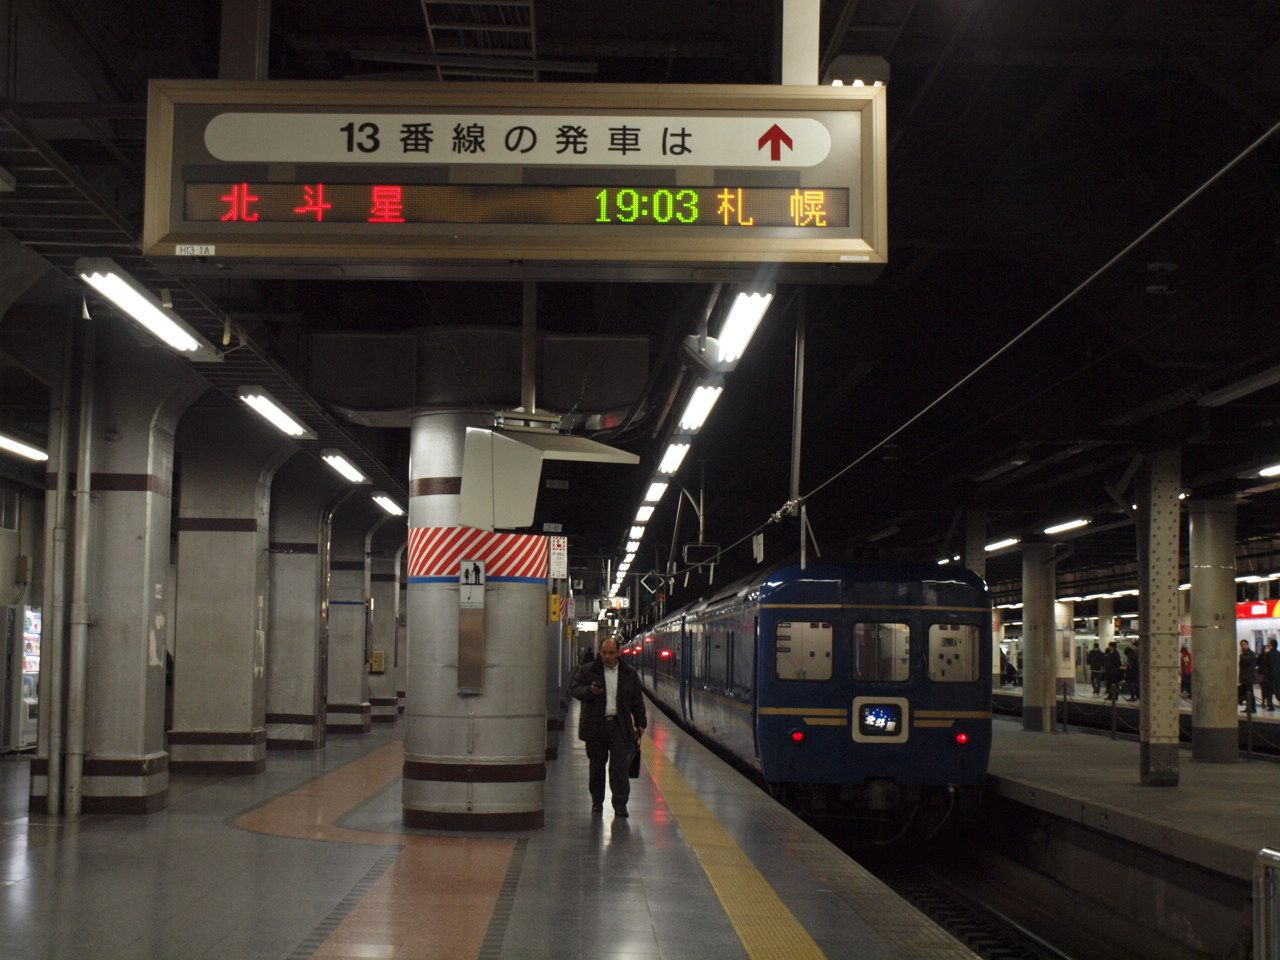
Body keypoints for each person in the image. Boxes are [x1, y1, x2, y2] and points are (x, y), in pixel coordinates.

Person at [571, 636, 646, 817]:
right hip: (596, 726)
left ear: (618, 653)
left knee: (619, 767)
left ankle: (620, 804)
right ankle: (597, 801)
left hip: (619, 726)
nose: (607, 656)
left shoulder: (629, 674)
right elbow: (574, 689)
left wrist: (641, 722)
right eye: (604, 653)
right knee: (596, 766)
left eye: (611, 653)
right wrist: (589, 691)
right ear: (599, 653)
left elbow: (637, 700)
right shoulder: (589, 671)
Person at [1260, 638, 1280, 711]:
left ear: (1271, 645)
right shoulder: (1279, 653)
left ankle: (1271, 706)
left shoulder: (1267, 654)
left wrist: (1265, 676)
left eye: (1269, 644)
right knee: (1277, 692)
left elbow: (1266, 667)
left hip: (1269, 677)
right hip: (1277, 677)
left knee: (1269, 693)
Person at [1239, 640, 1257, 714]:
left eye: (1244, 644)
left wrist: (1241, 655)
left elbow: (1246, 661)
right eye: (1242, 645)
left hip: (1249, 677)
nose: (1243, 646)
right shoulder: (1244, 654)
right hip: (1244, 677)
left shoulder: (1251, 653)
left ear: (1247, 644)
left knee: (1250, 693)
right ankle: (1248, 707)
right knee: (1247, 693)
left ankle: (1252, 708)